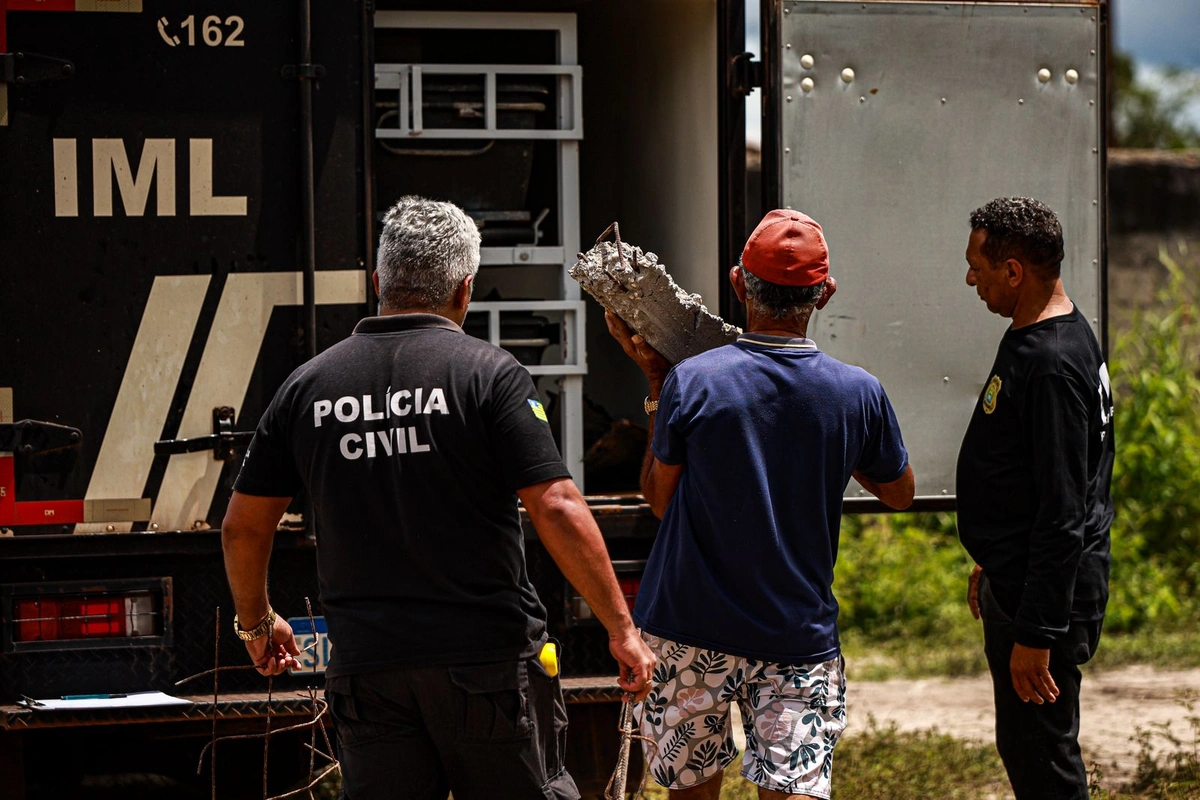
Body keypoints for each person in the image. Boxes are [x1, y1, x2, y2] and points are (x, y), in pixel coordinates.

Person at [221, 195, 656, 800]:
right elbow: (555, 504)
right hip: (487, 669)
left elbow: (243, 527)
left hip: (368, 673)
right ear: (464, 289)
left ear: (379, 282)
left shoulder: (307, 388)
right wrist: (621, 627)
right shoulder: (489, 375)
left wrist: (256, 624)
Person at [606, 209, 915, 800]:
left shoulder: (692, 381)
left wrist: (654, 382)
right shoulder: (857, 393)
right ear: (824, 294)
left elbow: (659, 501)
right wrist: (832, 439)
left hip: (687, 629)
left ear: (738, 284)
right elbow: (899, 493)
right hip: (796, 639)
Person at [957, 197, 1115, 800]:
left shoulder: (1051, 363)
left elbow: (1063, 509)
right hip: (1019, 576)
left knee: (1042, 758)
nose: (971, 277)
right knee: (1027, 748)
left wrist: (1037, 632)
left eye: (979, 265)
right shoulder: (1046, 332)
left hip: (1042, 599)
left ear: (1014, 271)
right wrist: (994, 557)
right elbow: (1038, 478)